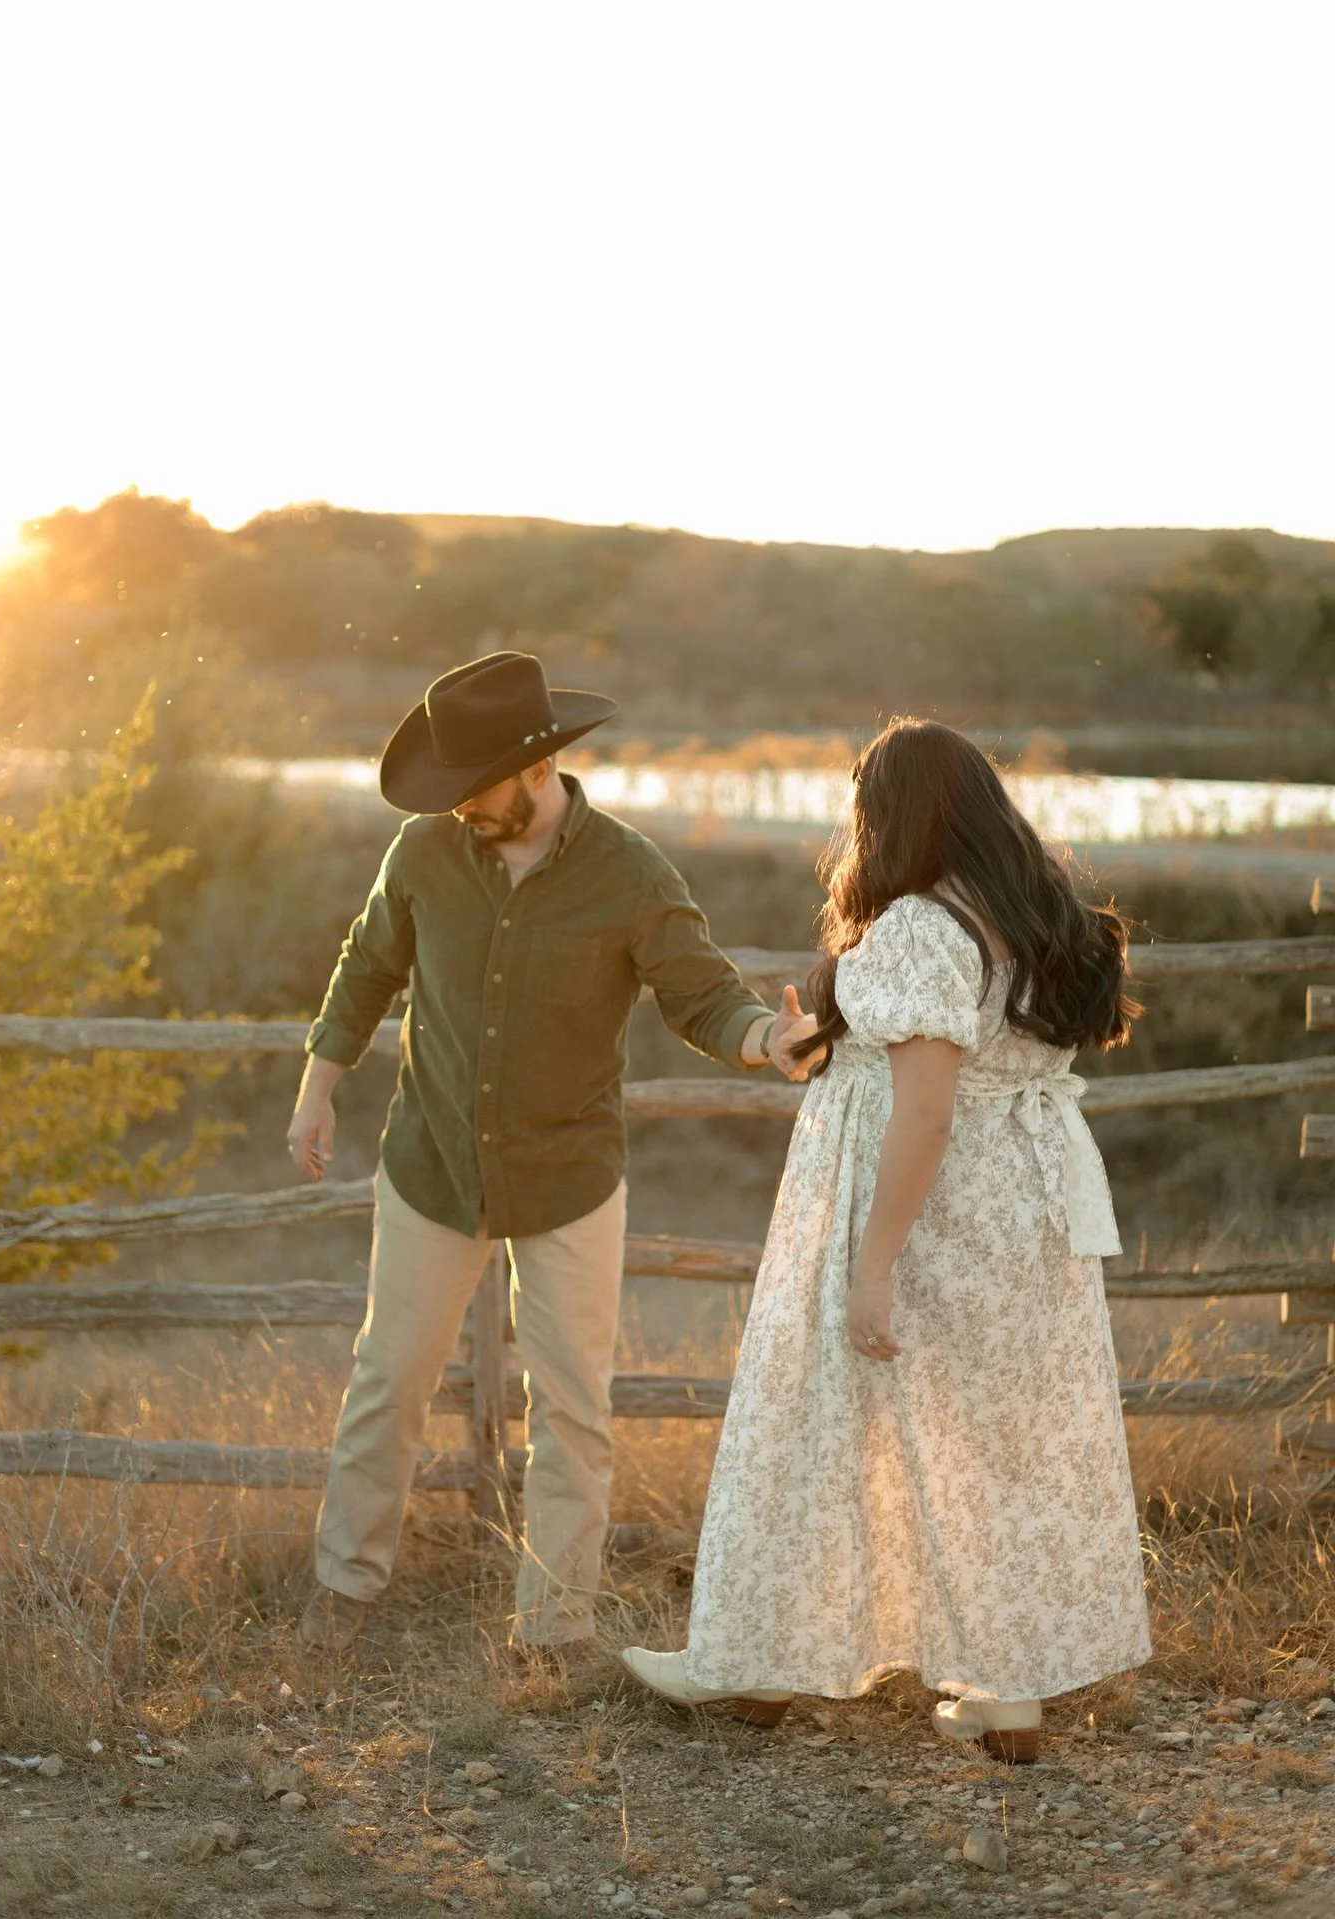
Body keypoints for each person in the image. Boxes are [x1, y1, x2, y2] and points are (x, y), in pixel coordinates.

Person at [621, 718, 1151, 1760]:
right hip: (1018, 1212)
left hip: (926, 1210)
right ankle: (1008, 1688)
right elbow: (963, 1051)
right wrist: (838, 1033)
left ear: (890, 815)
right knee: (993, 1439)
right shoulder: (1023, 915)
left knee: (809, 1410)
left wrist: (872, 1263)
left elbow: (926, 1110)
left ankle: (753, 1662)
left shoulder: (916, 924)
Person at [288, 650, 817, 1654]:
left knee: (571, 1408)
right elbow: (367, 966)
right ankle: (345, 1588)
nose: (458, 810)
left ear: (539, 769)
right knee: (387, 1381)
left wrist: (766, 1038)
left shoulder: (629, 871)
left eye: (473, 789)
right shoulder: (422, 853)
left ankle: (555, 1626)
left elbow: (701, 991)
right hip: (432, 1164)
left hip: (569, 1175)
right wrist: (319, 1086)